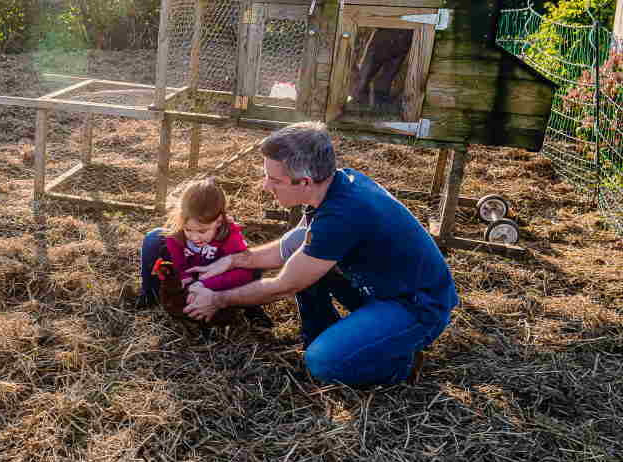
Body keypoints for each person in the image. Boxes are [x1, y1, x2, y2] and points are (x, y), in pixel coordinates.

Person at [184, 122, 458, 386]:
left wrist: (218, 300)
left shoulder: (342, 215)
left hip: (417, 306)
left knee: (323, 363)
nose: (265, 186)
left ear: (304, 182)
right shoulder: (333, 185)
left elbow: (284, 286)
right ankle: (328, 336)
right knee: (306, 264)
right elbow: (289, 246)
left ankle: (399, 362)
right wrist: (232, 260)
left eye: (274, 179)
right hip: (383, 285)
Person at [137, 177, 271, 326]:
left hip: (217, 277)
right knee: (153, 238)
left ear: (219, 221)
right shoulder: (181, 227)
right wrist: (185, 276)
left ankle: (251, 308)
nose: (194, 237)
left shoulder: (230, 236)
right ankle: (150, 294)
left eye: (202, 231)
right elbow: (173, 244)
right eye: (188, 229)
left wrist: (204, 284)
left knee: (252, 266)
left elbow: (242, 272)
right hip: (191, 269)